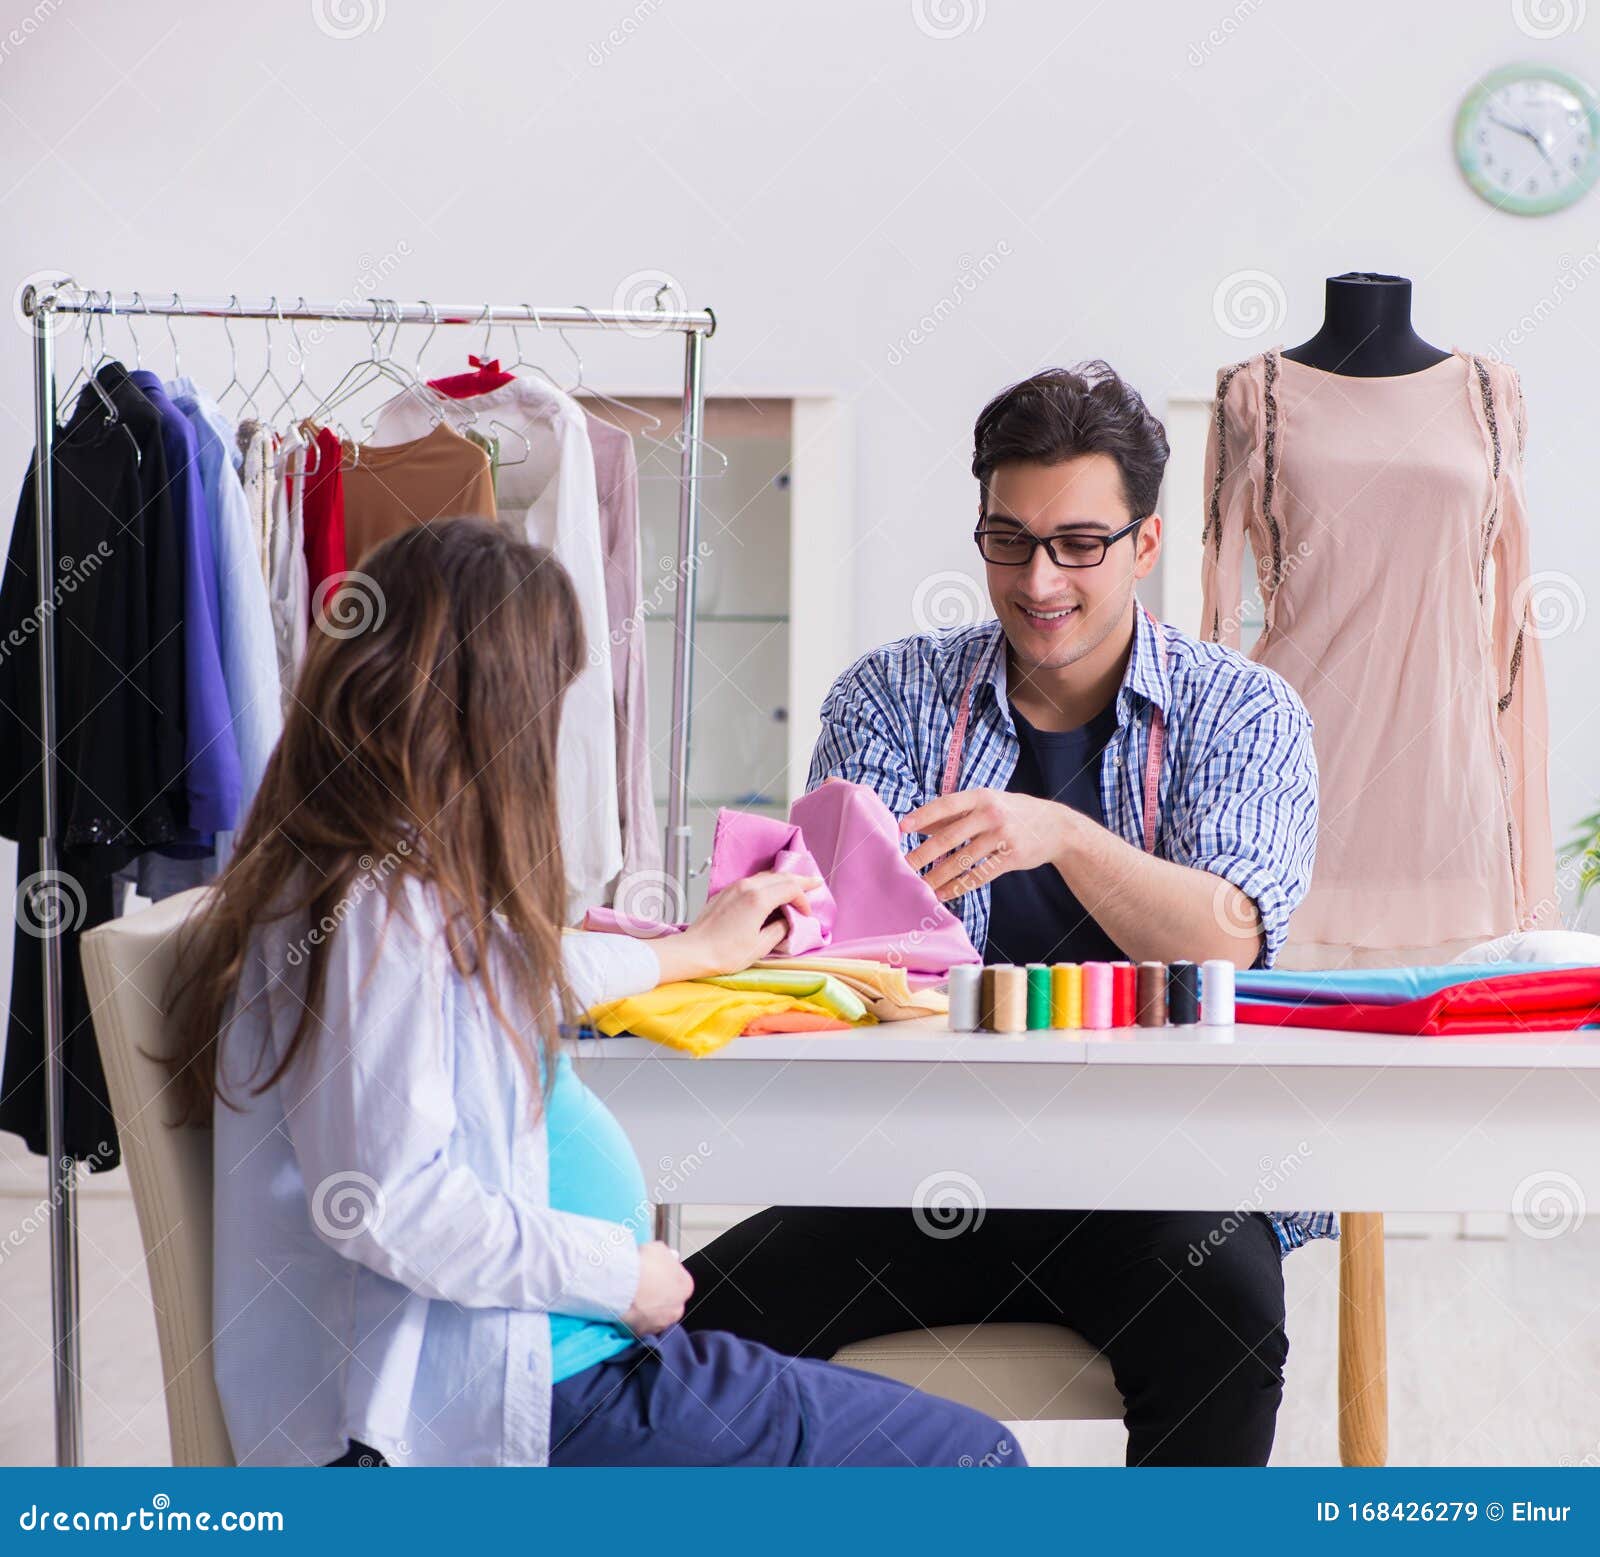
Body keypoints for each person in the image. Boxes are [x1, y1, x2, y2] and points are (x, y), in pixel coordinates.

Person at [166, 517, 1022, 1470]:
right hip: (528, 1394)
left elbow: (515, 966)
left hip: (553, 1357)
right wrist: (622, 1276)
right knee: (974, 1459)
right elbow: (386, 1205)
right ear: (486, 708)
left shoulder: (364, 880)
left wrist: (693, 951)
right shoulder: (384, 911)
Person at [685, 363, 1324, 1467]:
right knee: (695, 1333)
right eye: (1009, 539)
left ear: (1146, 543)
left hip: (1159, 1184)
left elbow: (1229, 938)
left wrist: (1062, 834)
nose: (1040, 579)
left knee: (1222, 1321)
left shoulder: (1243, 709)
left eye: (1079, 542)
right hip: (925, 1174)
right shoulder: (889, 697)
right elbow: (848, 950)